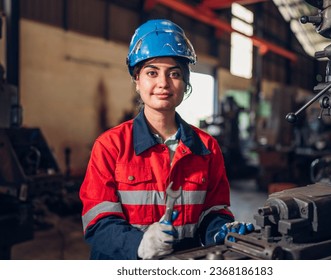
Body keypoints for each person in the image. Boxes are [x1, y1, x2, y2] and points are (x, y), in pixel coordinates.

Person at [79, 19, 253, 260]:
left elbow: (213, 211)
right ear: (137, 81)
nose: (163, 83)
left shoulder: (206, 147)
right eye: (152, 72)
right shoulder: (110, 146)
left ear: (185, 83)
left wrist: (221, 231)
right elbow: (97, 222)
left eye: (174, 73)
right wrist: (140, 245)